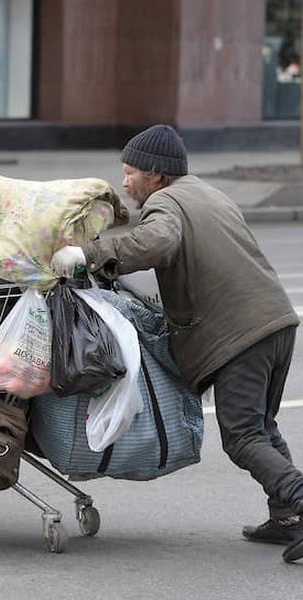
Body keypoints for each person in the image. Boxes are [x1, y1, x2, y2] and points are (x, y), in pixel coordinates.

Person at [50, 124, 303, 563]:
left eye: (131, 173)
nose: (125, 182)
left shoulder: (166, 203)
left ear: (157, 175)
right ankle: (287, 517)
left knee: (242, 436)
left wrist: (88, 255)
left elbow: (158, 242)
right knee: (261, 426)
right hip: (276, 322)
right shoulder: (208, 194)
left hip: (240, 334)